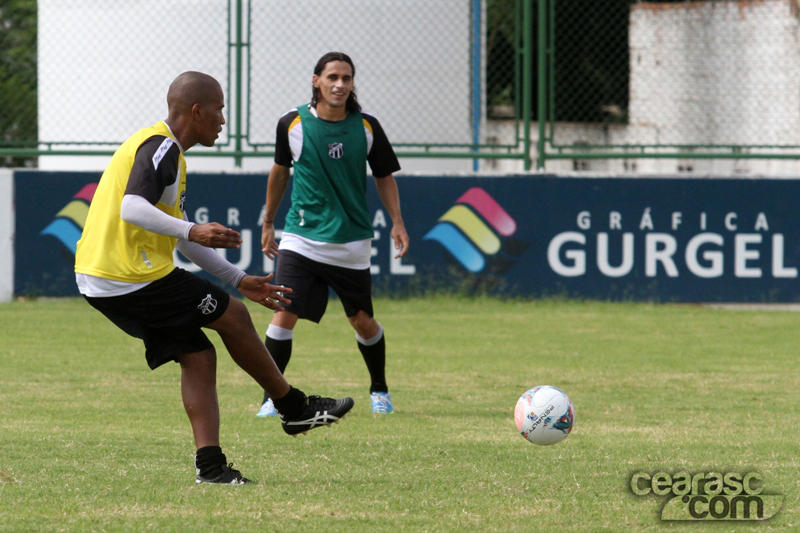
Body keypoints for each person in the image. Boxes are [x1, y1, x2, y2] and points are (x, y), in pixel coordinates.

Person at [74, 71, 354, 485]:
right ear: (197, 110)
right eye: (220, 108)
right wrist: (193, 230)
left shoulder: (165, 151)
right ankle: (294, 408)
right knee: (234, 317)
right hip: (127, 276)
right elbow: (133, 207)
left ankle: (211, 468)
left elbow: (180, 236)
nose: (223, 119)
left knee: (199, 356)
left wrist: (238, 278)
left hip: (106, 278)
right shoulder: (161, 146)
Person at [257, 52, 409, 418]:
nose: (339, 84)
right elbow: (279, 173)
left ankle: (379, 390)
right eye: (332, 77)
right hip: (301, 238)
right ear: (316, 81)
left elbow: (384, 175)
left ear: (353, 83)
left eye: (346, 78)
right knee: (283, 315)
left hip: (351, 241)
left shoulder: (367, 127)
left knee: (362, 321)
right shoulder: (291, 124)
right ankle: (271, 399)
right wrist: (269, 221)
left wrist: (397, 222)